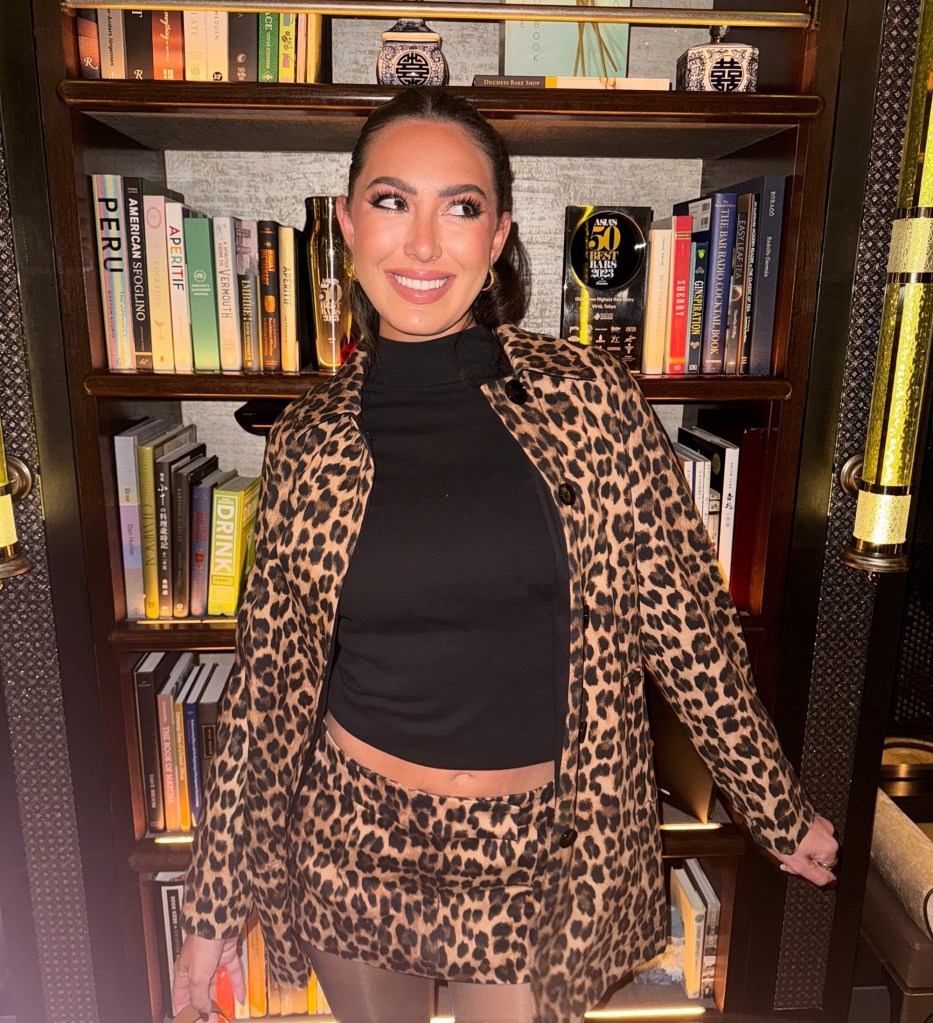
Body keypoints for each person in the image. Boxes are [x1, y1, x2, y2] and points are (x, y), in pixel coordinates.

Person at [172, 88, 838, 1023]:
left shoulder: (591, 400)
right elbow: (268, 690)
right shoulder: (308, 439)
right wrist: (209, 912)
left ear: (497, 238)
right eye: (393, 202)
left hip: (542, 847)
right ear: (348, 222)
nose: (422, 244)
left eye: (461, 208)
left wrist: (772, 804)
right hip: (352, 836)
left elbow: (686, 624)